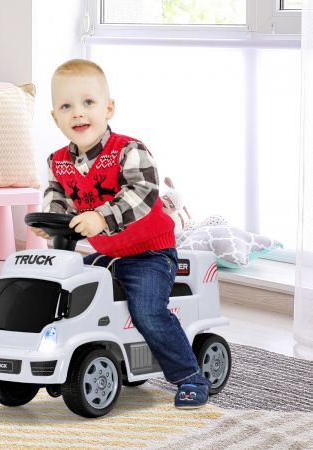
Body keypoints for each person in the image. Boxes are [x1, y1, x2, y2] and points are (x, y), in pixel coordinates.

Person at [31, 58, 210, 409]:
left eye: (88, 103)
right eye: (66, 106)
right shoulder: (58, 161)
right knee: (65, 293)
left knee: (147, 310)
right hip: (109, 254)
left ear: (108, 108)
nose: (78, 114)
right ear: (55, 117)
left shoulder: (129, 151)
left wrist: (102, 217)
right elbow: (56, 198)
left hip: (149, 253)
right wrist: (49, 221)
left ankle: (189, 375)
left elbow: (143, 193)